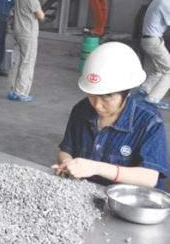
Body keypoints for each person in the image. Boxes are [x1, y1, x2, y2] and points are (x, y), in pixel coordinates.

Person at [53, 42, 169, 190]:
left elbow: (150, 178)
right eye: (91, 95)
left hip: (126, 198)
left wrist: (97, 167)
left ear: (127, 92)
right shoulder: (81, 110)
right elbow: (66, 150)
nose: (97, 105)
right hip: (84, 191)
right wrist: (67, 163)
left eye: (107, 97)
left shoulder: (149, 121)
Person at [8, 0, 45, 103]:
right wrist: (43, 15)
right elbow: (40, 15)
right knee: (27, 63)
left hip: (18, 31)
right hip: (28, 34)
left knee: (17, 62)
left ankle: (13, 90)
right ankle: (22, 93)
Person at [138, 0, 170, 110]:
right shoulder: (166, 3)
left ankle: (144, 89)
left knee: (160, 70)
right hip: (153, 41)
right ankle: (153, 98)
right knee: (169, 70)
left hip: (149, 39)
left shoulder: (158, 0)